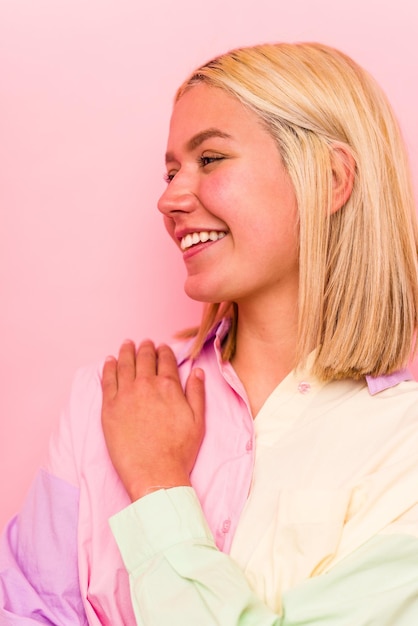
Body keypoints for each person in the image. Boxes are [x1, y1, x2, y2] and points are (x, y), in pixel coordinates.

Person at [1, 41, 418, 625]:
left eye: (211, 159)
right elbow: (27, 610)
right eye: (171, 170)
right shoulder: (110, 395)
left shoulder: (404, 446)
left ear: (330, 178)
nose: (169, 198)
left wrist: (156, 482)